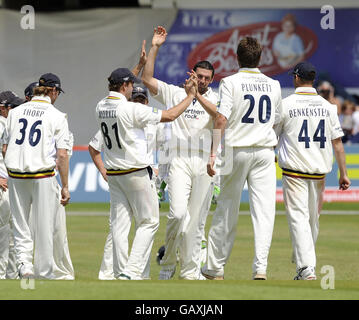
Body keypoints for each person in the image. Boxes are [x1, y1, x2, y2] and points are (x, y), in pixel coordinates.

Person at [95, 66, 197, 280]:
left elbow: (118, 90)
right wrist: (189, 97)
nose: (133, 89)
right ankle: (132, 271)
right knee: (149, 222)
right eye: (130, 85)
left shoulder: (101, 105)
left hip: (114, 174)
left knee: (119, 226)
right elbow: (169, 115)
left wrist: (138, 66)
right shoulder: (132, 110)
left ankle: (119, 272)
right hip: (136, 172)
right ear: (124, 86)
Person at [142, 26, 218, 280]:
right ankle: (168, 262)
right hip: (179, 160)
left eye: (207, 77)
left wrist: (197, 95)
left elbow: (219, 118)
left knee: (195, 222)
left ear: (212, 79)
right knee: (177, 214)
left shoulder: (216, 99)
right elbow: (147, 80)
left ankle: (189, 270)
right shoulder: (175, 93)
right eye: (199, 76)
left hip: (204, 162)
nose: (203, 80)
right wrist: (155, 47)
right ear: (192, 74)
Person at [203, 36, 282, 281]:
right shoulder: (274, 84)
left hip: (236, 149)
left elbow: (221, 118)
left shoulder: (230, 82)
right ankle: (260, 268)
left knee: (227, 208)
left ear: (237, 58)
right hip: (264, 151)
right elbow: (277, 121)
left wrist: (213, 152)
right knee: (265, 212)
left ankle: (215, 268)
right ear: (260, 58)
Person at [274, 62, 350, 280]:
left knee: (299, 219)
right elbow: (337, 143)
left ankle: (306, 267)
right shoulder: (328, 107)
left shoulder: (286, 104)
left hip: (295, 172)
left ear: (297, 78)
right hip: (319, 174)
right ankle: (304, 261)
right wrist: (344, 173)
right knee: (312, 221)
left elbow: (274, 136)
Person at [2, 73, 71, 279]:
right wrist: (65, 186)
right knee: (44, 226)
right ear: (51, 91)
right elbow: (62, 154)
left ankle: (25, 266)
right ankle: (44, 272)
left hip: (16, 175)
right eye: (57, 92)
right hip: (42, 175)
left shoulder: (15, 112)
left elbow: (5, 148)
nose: (57, 95)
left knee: (21, 224)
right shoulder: (57, 115)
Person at [0, 92, 24, 279]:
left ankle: (11, 274)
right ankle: (3, 273)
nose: (16, 110)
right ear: (3, 107)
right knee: (4, 232)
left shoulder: (8, 124)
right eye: (13, 107)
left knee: (13, 231)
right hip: (2, 185)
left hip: (11, 183)